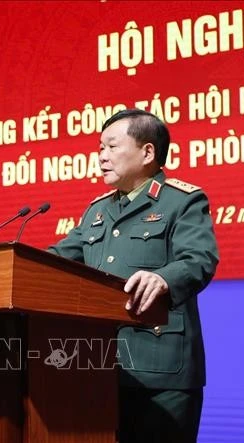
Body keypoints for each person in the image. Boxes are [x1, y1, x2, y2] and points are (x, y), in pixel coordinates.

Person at [48, 109, 219, 443]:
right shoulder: (97, 210)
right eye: (99, 148)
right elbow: (58, 260)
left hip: (161, 373)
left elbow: (199, 259)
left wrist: (164, 278)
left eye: (111, 146)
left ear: (147, 152)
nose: (101, 156)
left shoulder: (182, 201)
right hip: (99, 370)